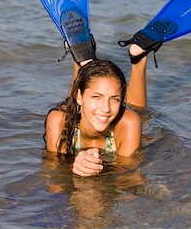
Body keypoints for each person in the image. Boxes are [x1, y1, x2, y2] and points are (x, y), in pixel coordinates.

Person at [44, 44, 149, 177]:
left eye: (115, 99)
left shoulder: (129, 122)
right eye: (96, 97)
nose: (106, 108)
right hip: (75, 108)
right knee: (76, 98)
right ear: (79, 97)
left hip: (123, 121)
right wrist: (74, 166)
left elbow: (127, 175)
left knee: (140, 115)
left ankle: (138, 59)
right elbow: (53, 169)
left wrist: (93, 168)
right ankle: (80, 61)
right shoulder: (58, 119)